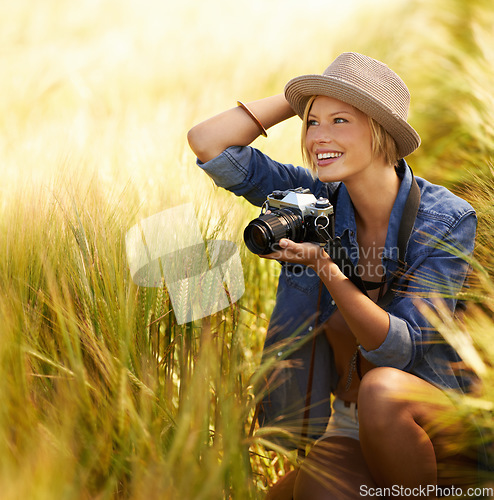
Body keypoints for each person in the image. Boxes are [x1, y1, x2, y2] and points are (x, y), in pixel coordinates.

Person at [187, 52, 479, 498]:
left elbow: (398, 349)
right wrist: (297, 97)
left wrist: (325, 268)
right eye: (312, 123)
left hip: (425, 409)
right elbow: (209, 143)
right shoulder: (312, 199)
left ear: (380, 132)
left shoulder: (446, 221)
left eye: (340, 120)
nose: (317, 137)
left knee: (381, 391)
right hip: (350, 419)